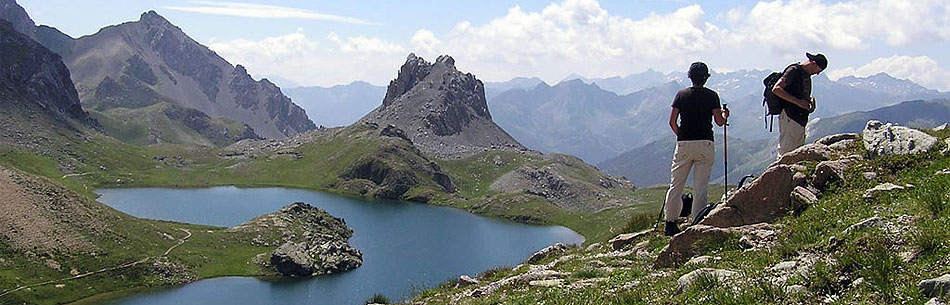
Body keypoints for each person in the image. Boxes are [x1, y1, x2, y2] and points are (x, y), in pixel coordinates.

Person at [663, 62, 729, 236]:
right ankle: (697, 222)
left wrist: (681, 135)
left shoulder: (681, 95)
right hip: (705, 144)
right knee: (700, 186)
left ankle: (670, 223)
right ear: (706, 78)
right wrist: (724, 115)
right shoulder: (712, 95)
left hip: (684, 143)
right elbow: (719, 122)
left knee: (676, 185)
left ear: (690, 77)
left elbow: (672, 122)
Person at [772, 53, 828, 158]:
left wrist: (809, 101)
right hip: (790, 116)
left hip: (799, 118)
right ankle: (780, 172)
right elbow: (777, 89)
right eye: (818, 70)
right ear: (813, 64)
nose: (817, 74)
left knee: (796, 150)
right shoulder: (794, 71)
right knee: (786, 150)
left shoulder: (805, 75)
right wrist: (798, 102)